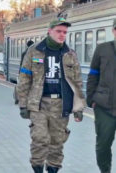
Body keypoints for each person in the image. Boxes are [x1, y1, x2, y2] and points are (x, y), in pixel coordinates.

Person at [16, 18, 85, 173]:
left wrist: (78, 107)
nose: (62, 35)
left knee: (57, 142)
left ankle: (53, 170)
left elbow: (77, 82)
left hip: (61, 105)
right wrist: (22, 104)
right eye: (59, 31)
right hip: (39, 103)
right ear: (50, 31)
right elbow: (24, 78)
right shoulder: (35, 50)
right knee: (40, 139)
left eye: (65, 32)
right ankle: (38, 168)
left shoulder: (70, 54)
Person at [87, 19, 116, 173]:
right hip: (105, 107)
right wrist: (91, 99)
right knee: (103, 145)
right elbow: (93, 75)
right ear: (113, 31)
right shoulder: (102, 49)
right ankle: (105, 171)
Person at [14, 40, 34, 104]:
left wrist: (19, 72)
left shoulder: (24, 53)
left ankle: (17, 98)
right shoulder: (34, 53)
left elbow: (21, 63)